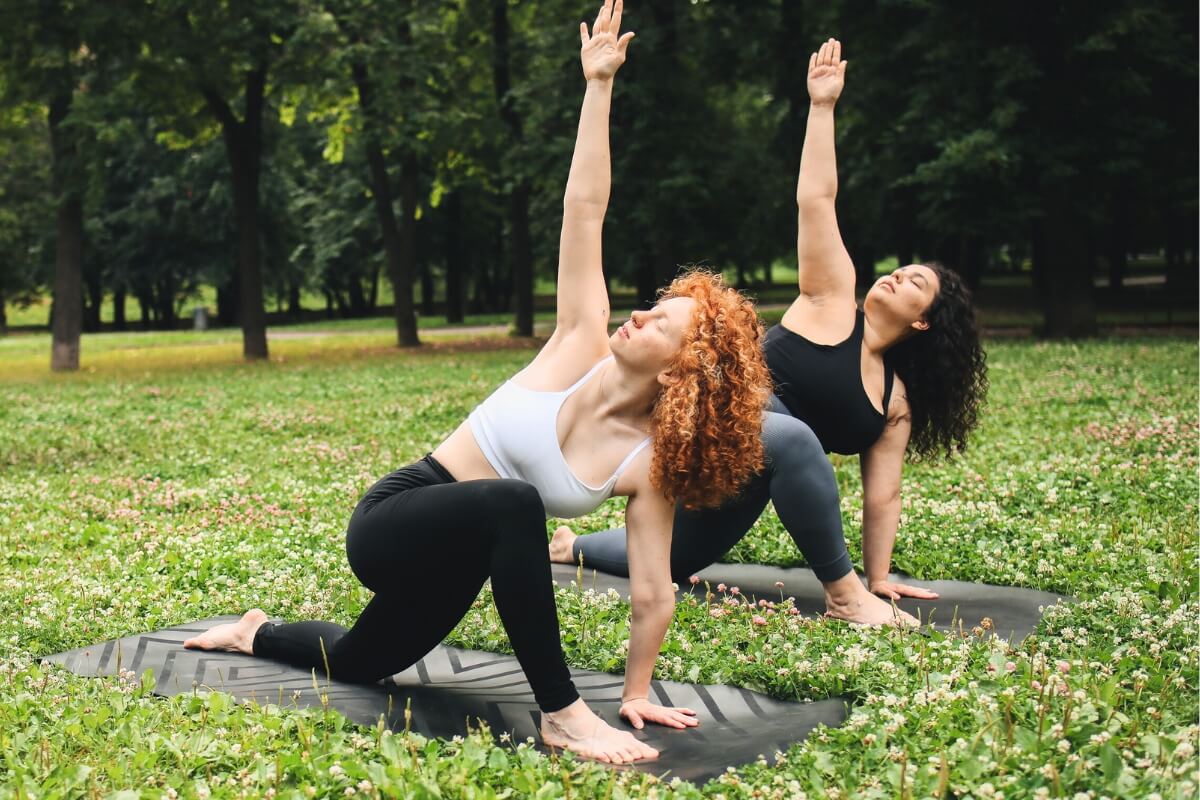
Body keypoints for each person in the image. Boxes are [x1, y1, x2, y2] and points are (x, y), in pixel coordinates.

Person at [183, 0, 771, 766]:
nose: (640, 314)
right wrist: (598, 88)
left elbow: (654, 589)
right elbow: (585, 207)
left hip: (468, 553)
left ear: (685, 367)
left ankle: (251, 629)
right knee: (515, 501)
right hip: (398, 517)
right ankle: (560, 714)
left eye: (664, 321)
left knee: (363, 661)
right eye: (653, 304)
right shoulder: (576, 342)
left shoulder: (646, 463)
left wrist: (635, 691)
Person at [554, 38, 988, 627]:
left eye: (913, 283)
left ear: (923, 322)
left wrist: (883, 576)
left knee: (678, 555)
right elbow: (817, 199)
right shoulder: (832, 298)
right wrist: (822, 108)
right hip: (700, 427)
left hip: (736, 478)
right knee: (792, 436)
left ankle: (572, 545)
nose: (893, 276)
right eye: (896, 269)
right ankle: (842, 596)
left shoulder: (894, 402)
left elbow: (882, 495)